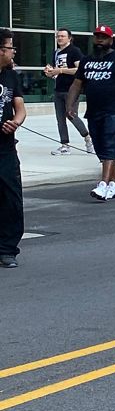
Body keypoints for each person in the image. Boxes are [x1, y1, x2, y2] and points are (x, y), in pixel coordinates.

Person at [65, 25, 115, 201]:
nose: (99, 40)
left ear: (110, 41)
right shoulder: (86, 60)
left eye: (103, 38)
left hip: (114, 111)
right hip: (93, 111)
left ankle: (103, 185)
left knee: (110, 146)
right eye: (97, 37)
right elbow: (77, 84)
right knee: (100, 148)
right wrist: (70, 105)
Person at [0, 28, 27, 268]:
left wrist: (15, 122)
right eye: (10, 48)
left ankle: (7, 250)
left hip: (6, 148)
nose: (13, 52)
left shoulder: (10, 76)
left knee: (11, 198)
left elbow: (20, 107)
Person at [45, 28, 92, 156]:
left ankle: (88, 138)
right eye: (58, 36)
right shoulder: (56, 53)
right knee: (60, 119)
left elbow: (79, 70)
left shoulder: (74, 51)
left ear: (69, 38)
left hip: (71, 89)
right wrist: (51, 72)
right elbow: (55, 70)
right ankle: (64, 145)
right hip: (58, 89)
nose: (59, 38)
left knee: (71, 115)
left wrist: (60, 71)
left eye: (62, 36)